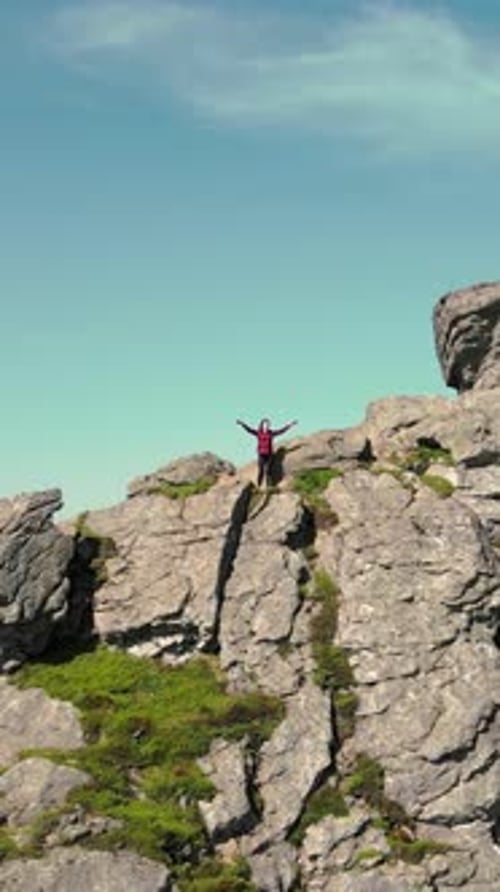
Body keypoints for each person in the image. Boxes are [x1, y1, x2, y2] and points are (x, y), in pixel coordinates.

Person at [237, 417, 298, 487]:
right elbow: (249, 430)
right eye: (265, 425)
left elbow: (281, 431)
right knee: (261, 470)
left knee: (268, 471)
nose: (266, 426)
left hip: (269, 454)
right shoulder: (259, 433)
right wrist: (242, 424)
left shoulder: (271, 433)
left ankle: (269, 486)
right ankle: (259, 486)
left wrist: (290, 425)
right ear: (262, 425)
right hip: (261, 454)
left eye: (268, 425)